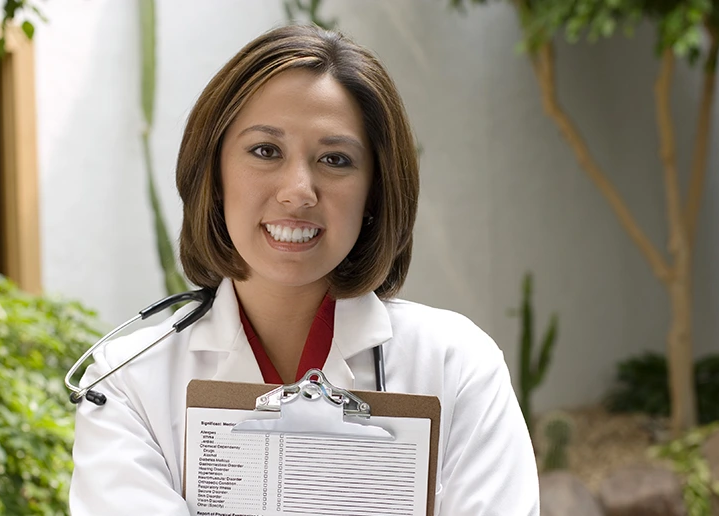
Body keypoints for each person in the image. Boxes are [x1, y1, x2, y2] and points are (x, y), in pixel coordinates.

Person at [70, 24, 539, 515]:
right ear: (214, 171)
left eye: (335, 159)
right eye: (265, 151)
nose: (299, 190)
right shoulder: (127, 383)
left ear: (374, 193)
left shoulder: (456, 366)